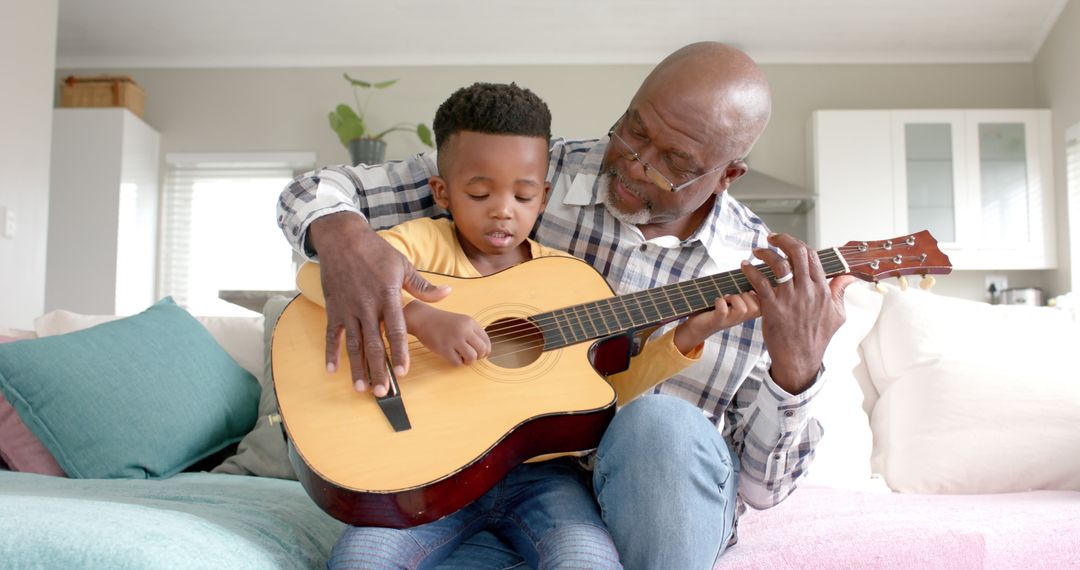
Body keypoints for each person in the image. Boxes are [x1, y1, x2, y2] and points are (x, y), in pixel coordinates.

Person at [279, 43, 855, 569]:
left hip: (621, 515)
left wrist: (797, 370)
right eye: (633, 131)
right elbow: (314, 192)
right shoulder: (524, 171)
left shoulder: (765, 282)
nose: (633, 164)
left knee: (660, 424)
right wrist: (345, 240)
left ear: (728, 175)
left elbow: (763, 490)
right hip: (463, 472)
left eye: (673, 162)